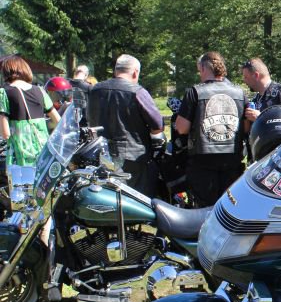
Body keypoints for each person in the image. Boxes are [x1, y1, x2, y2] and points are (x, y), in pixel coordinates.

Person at [175, 51, 247, 207]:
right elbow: (246, 127)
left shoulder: (195, 92)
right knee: (230, 206)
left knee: (205, 209)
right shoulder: (240, 92)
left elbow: (182, 128)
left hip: (203, 162)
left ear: (202, 68)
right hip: (232, 159)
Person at [87, 54, 164, 196]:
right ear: (135, 72)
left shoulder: (95, 90)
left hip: (99, 153)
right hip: (132, 157)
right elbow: (158, 125)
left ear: (116, 70)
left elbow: (88, 119)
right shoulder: (137, 92)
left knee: (107, 196)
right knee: (137, 200)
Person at [0, 55, 61, 166]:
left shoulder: (4, 93)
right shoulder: (40, 91)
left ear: (6, 71)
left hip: (20, 157)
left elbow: (5, 133)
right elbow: (58, 121)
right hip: (43, 154)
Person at [241, 57, 281, 123]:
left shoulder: (280, 92)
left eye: (246, 77)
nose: (244, 80)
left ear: (256, 75)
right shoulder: (256, 99)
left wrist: (260, 117)